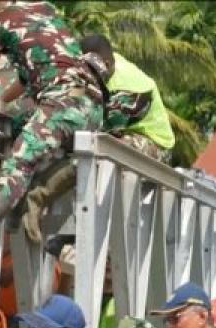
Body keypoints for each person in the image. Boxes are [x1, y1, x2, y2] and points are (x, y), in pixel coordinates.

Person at [0, 1, 110, 256]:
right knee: (18, 130)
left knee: (18, 166)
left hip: (63, 104)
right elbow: (29, 76)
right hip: (93, 106)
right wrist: (4, 101)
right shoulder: (47, 9)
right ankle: (17, 211)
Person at [21, 33, 172, 244]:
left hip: (151, 141)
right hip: (117, 133)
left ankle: (39, 196)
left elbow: (97, 127)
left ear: (107, 64)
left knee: (95, 150)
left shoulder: (131, 88)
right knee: (71, 138)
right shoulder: (98, 66)